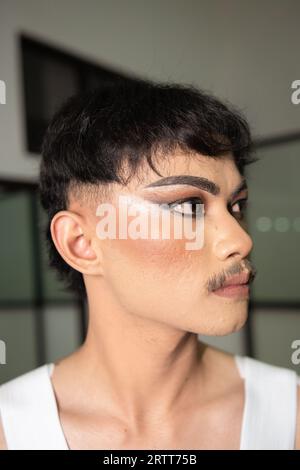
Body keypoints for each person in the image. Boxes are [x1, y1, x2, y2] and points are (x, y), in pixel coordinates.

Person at [0, 79, 299, 450]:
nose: (241, 241)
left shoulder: (289, 413)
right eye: (188, 206)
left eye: (236, 206)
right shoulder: (11, 430)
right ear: (82, 244)